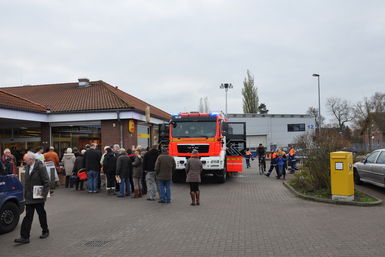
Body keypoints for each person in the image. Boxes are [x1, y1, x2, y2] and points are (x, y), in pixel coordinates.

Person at [14, 152, 50, 244]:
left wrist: (44, 194)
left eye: (25, 160)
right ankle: (24, 237)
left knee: (41, 214)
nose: (24, 161)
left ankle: (45, 231)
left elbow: (46, 181)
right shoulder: (27, 167)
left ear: (31, 159)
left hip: (38, 196)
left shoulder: (40, 167)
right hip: (29, 196)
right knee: (28, 216)